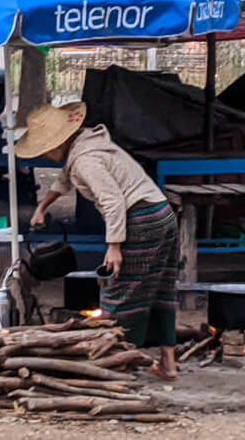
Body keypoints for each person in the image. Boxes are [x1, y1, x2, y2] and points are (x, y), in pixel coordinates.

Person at [16, 101, 178, 381]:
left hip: (139, 219)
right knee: (161, 289)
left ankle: (119, 365)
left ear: (57, 143)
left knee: (119, 292)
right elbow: (64, 180)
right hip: (161, 213)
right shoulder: (86, 143)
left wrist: (114, 246)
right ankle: (168, 364)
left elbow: (113, 201)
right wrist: (44, 206)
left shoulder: (85, 161)